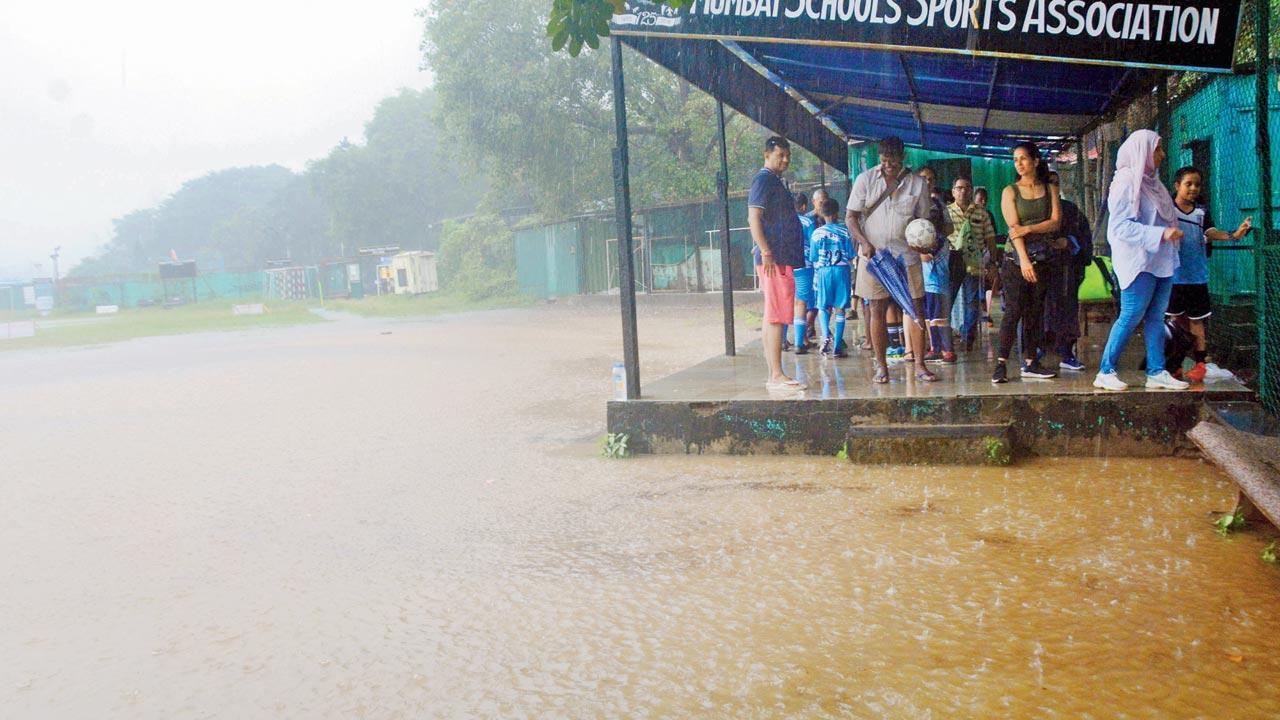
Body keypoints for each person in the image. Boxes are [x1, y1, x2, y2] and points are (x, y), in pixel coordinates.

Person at [1092, 129, 1188, 391]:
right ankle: (1105, 370)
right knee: (1132, 314)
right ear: (1142, 150)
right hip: (1138, 261)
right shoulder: (1125, 182)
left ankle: (1157, 371)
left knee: (1156, 316)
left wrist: (1168, 236)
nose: (1162, 154)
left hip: (1161, 259)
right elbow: (1119, 228)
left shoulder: (1153, 183)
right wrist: (1161, 233)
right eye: (1157, 149)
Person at [846, 136, 937, 384]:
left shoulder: (917, 184)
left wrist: (923, 243)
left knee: (916, 309)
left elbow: (923, 222)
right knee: (876, 309)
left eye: (894, 162)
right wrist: (864, 243)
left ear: (903, 157)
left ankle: (920, 365)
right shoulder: (864, 180)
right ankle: (881, 366)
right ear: (879, 158)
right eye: (885, 161)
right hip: (873, 258)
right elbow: (851, 217)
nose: (889, 166)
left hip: (906, 258)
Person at [1168, 166, 1252, 382]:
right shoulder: (1166, 209)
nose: (1193, 188)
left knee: (1197, 321)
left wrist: (1234, 235)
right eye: (1189, 184)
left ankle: (1200, 364)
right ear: (1177, 185)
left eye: (1197, 184)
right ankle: (1174, 364)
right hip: (1173, 276)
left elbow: (1211, 233)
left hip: (1196, 278)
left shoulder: (1201, 212)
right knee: (1175, 321)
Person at [993, 142, 1061, 384]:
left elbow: (1055, 222)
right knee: (1013, 311)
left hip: (1043, 259)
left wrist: (1029, 227)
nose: (1019, 164)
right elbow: (1014, 230)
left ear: (1035, 161)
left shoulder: (1050, 188)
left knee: (1035, 312)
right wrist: (1023, 260)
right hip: (1015, 260)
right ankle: (1001, 364)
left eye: (1023, 158)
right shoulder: (1010, 191)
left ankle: (1031, 362)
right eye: (1015, 160)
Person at [748, 136, 808, 390]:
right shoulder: (763, 180)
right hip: (775, 258)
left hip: (782, 257)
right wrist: (766, 251)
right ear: (766, 154)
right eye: (779, 155)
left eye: (787, 156)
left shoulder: (774, 181)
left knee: (773, 314)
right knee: (776, 315)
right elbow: (754, 217)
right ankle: (776, 374)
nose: (785, 160)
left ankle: (775, 372)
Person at [1043, 171, 1094, 371]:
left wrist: (1069, 242)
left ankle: (1066, 352)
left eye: (1056, 183)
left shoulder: (1071, 210)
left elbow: (1083, 237)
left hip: (1066, 271)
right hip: (1040, 271)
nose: (1052, 187)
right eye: (1048, 183)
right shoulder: (1034, 210)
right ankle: (1035, 352)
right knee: (1040, 311)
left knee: (1066, 310)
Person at [946, 176, 996, 352]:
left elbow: (990, 238)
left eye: (967, 188)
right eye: (959, 188)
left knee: (972, 301)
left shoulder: (981, 213)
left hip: (974, 260)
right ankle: (945, 339)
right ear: (953, 192)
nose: (963, 191)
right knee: (948, 298)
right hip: (953, 259)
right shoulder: (947, 212)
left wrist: (992, 263)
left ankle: (968, 338)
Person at [809, 197, 853, 358]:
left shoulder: (816, 233)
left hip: (824, 272)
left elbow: (813, 257)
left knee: (823, 305)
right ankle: (837, 346)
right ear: (836, 213)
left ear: (822, 213)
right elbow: (850, 253)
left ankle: (826, 334)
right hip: (841, 271)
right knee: (840, 308)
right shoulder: (844, 231)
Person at [792, 193, 819, 354]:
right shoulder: (808, 222)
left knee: (791, 301)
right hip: (804, 265)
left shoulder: (784, 220)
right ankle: (799, 343)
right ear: (803, 207)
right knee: (801, 303)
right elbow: (813, 245)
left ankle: (793, 340)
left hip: (786, 267)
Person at [974, 186, 1000, 328]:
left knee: (988, 285)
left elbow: (992, 237)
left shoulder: (988, 215)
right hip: (972, 256)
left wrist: (993, 259)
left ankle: (986, 313)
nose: (982, 202)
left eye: (985, 199)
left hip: (986, 254)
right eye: (980, 199)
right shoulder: (970, 214)